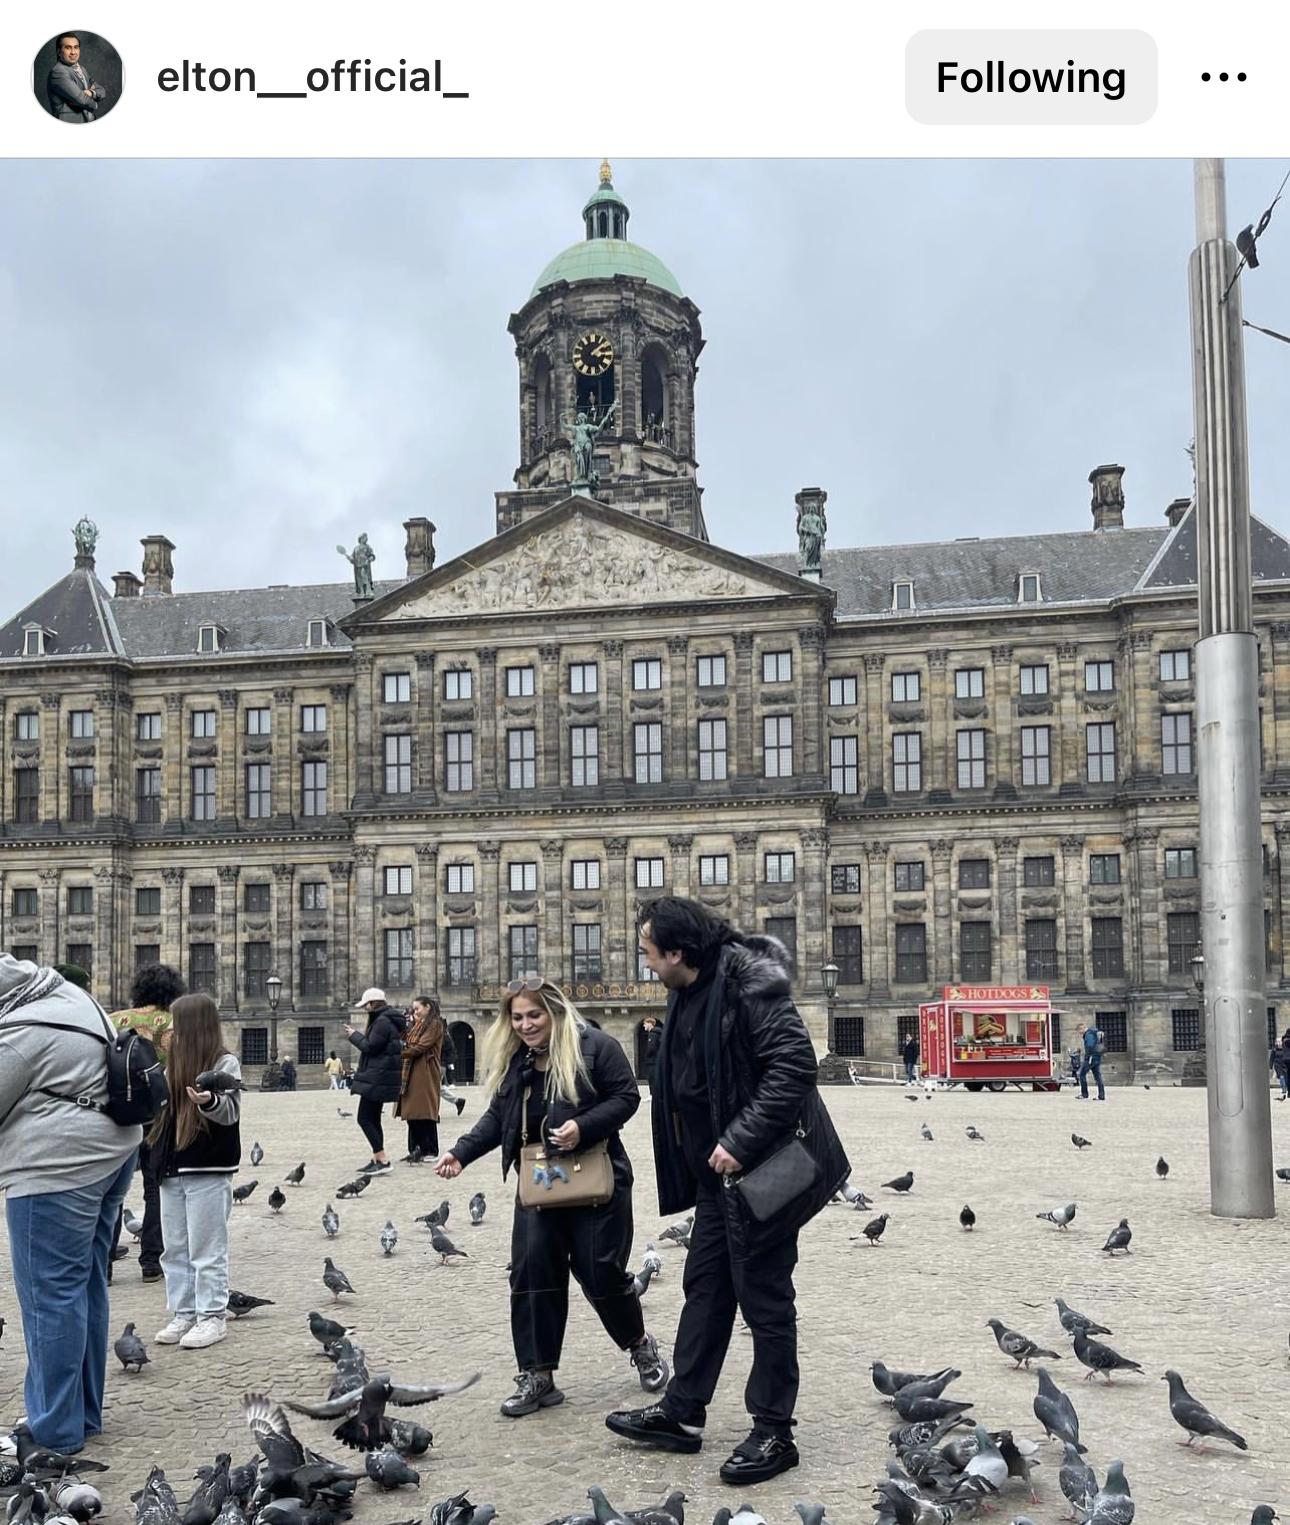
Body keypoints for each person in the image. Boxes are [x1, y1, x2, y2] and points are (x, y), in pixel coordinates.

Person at [606, 898, 849, 1486]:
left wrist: (741, 1138)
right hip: (720, 1178)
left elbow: (794, 1065)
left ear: (677, 953)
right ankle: (683, 1413)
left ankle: (775, 1431)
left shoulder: (751, 982)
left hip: (771, 1166)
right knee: (706, 1286)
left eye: (648, 953)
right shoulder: (686, 988)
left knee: (765, 1297)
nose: (645, 963)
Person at [436, 977, 669, 1417]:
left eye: (534, 1015)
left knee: (601, 1274)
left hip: (596, 1177)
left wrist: (584, 1126)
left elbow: (626, 1097)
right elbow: (498, 1117)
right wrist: (461, 1153)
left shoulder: (595, 1047)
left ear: (555, 1011)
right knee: (531, 1275)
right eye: (517, 1018)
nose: (525, 1025)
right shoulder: (516, 1060)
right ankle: (538, 1375)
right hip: (540, 1182)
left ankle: (639, 1344)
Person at [0, 955, 142, 1454]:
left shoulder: (21, 1031)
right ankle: (81, 1413)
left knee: (50, 1296)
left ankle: (53, 1430)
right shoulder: (68, 997)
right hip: (113, 1153)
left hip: (57, 1167)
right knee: (84, 1285)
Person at [147, 994, 242, 1350]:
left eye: (176, 1023)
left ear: (193, 1025)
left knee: (206, 1248)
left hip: (207, 1167)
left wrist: (209, 1102)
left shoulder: (224, 1062)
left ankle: (212, 1316)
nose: (170, 1029)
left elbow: (230, 1113)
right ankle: (184, 1312)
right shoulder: (171, 1065)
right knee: (174, 1249)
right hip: (172, 1168)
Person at [111, 963, 186, 1281]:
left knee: (113, 1191)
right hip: (158, 1117)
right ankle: (152, 1261)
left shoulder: (115, 1020)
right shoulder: (173, 1022)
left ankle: (104, 1263)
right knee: (155, 1188)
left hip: (118, 1116)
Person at [344, 987, 404, 1174]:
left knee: (364, 1118)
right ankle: (377, 1158)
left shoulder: (382, 1021)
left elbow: (371, 1047)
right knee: (373, 1118)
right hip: (380, 1075)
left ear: (373, 1003)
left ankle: (383, 1159)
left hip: (377, 1076)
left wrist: (354, 1035)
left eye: (366, 1005)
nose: (364, 1008)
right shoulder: (386, 1019)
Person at [397, 995, 445, 1160]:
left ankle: (430, 1150)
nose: (414, 1011)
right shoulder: (416, 1025)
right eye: (413, 1009)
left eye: (417, 1008)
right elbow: (408, 1041)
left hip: (425, 1072)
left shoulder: (435, 1024)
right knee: (412, 1114)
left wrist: (399, 1052)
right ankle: (415, 1150)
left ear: (427, 1007)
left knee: (425, 1113)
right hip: (411, 1071)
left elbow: (421, 1047)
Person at [47, 35, 107, 122]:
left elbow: (101, 90)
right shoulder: (58, 71)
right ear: (59, 52)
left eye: (76, 47)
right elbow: (82, 100)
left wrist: (91, 93)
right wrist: (95, 103)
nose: (73, 52)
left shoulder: (82, 69)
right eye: (68, 48)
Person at [1077, 1021, 1106, 1101]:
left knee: (1082, 1074)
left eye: (1079, 1031)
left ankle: (1084, 1094)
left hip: (1091, 1057)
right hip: (1097, 1056)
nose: (1080, 1033)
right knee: (1097, 1076)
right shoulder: (1093, 1032)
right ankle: (1101, 1095)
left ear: (1082, 1028)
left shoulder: (1088, 1034)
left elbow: (1090, 1045)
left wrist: (1088, 1055)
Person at [642, 1016, 662, 1091]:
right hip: (657, 1061)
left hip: (652, 1061)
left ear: (650, 1024)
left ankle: (653, 1094)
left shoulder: (653, 1034)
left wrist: (647, 1056)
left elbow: (652, 1048)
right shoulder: (658, 1033)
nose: (644, 1025)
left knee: (652, 1079)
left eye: (645, 1024)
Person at [1272, 1028, 1290, 1100]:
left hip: (1284, 1062)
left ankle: (1287, 1090)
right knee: (1283, 1077)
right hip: (1280, 1063)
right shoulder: (1286, 1041)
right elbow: (1272, 1057)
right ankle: (1285, 1089)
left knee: (1287, 1076)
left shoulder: (1284, 1041)